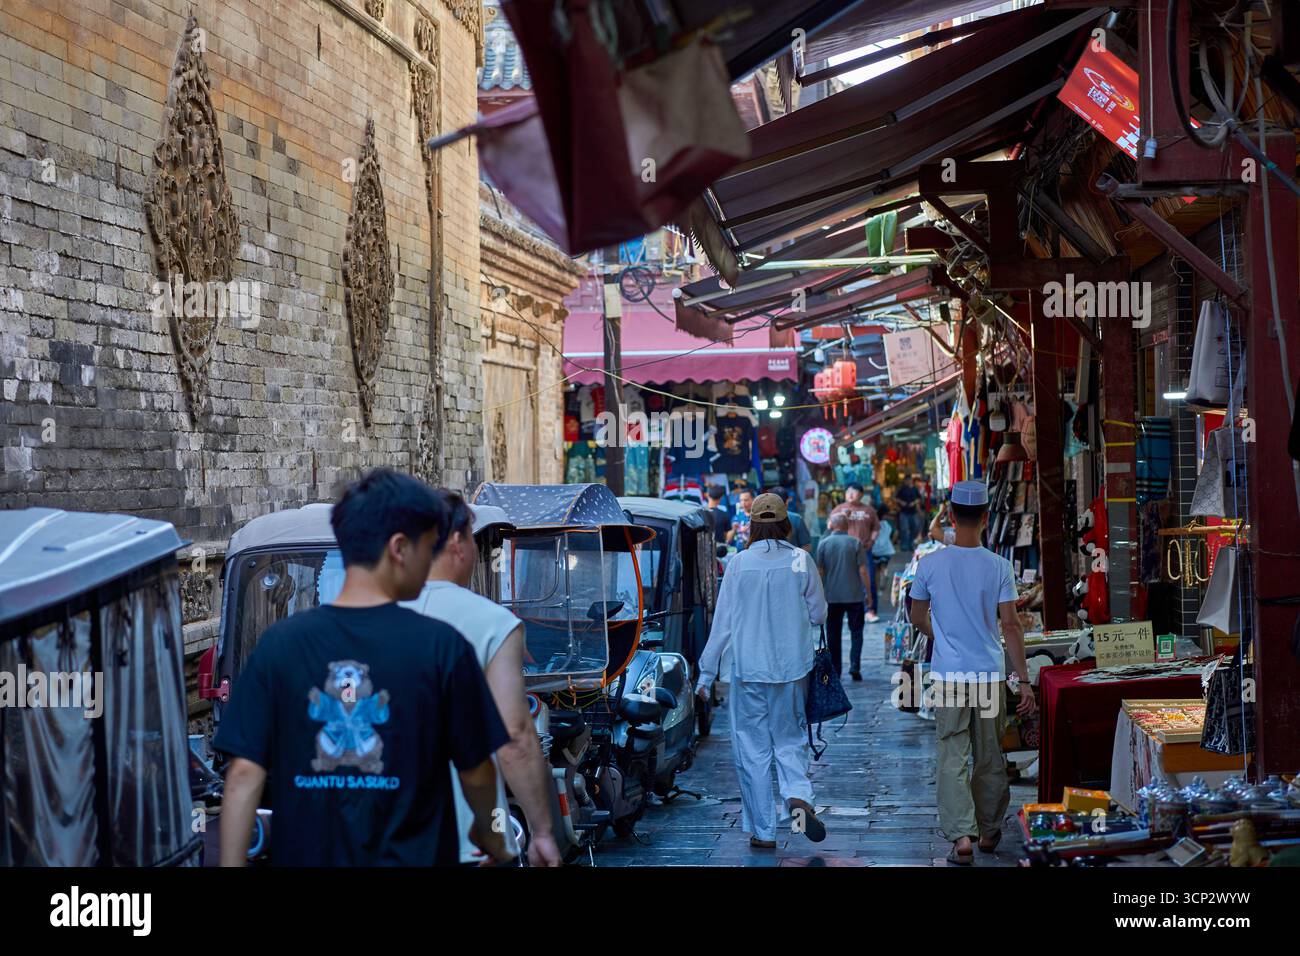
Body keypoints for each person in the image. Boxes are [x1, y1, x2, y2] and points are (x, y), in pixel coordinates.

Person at [215, 469, 514, 866]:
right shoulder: (442, 647)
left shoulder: (279, 646)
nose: (429, 562)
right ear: (399, 548)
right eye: (428, 547)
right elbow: (476, 774)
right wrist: (496, 840)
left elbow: (242, 777)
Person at [404, 492, 562, 867]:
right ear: (458, 541)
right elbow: (514, 739)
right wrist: (541, 831)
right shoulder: (491, 622)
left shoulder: (371, 616)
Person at [907, 480, 1036, 866]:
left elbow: (917, 616)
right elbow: (1011, 626)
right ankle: (989, 829)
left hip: (948, 677)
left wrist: (941, 635)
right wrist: (1024, 680)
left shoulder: (929, 564)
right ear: (985, 517)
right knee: (990, 755)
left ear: (949, 515)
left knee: (951, 752)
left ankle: (962, 835)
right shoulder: (997, 566)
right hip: (989, 676)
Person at [695, 493, 829, 849]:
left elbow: (722, 624)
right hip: (791, 669)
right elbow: (819, 614)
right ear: (786, 523)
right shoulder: (801, 561)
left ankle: (764, 831)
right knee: (790, 741)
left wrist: (705, 675)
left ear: (752, 524)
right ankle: (799, 797)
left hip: (749, 669)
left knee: (752, 750)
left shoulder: (739, 564)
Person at [815, 512, 871, 680]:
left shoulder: (823, 544)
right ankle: (855, 665)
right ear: (847, 526)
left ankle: (836, 669)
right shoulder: (855, 543)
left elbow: (820, 571)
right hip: (854, 596)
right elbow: (863, 570)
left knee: (833, 634)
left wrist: (819, 594)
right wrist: (868, 593)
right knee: (856, 632)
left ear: (831, 525)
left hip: (832, 597)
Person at [830, 483, 880, 622]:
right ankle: (846, 610)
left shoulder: (868, 510)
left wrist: (872, 540)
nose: (850, 494)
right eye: (848, 492)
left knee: (868, 579)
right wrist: (842, 515)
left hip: (864, 549)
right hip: (843, 552)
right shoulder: (839, 509)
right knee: (845, 580)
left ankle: (870, 609)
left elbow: (876, 528)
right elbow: (830, 526)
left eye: (854, 491)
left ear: (861, 494)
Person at [770, 486, 812, 552]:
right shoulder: (797, 519)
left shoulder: (762, 520)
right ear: (787, 502)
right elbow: (807, 546)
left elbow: (807, 546)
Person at [870, 513, 897, 613]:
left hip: (876, 549)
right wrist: (892, 542)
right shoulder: (886, 524)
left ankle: (877, 589)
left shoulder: (872, 524)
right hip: (887, 549)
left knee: (876, 570)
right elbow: (895, 533)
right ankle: (885, 575)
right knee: (884, 567)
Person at [895, 475, 924, 551]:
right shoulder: (902, 489)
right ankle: (904, 546)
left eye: (909, 480)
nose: (908, 482)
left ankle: (911, 544)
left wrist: (914, 503)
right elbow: (896, 498)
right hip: (904, 512)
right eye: (907, 480)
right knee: (904, 529)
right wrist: (901, 502)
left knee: (914, 528)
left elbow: (919, 499)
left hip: (913, 512)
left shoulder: (915, 489)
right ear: (905, 481)